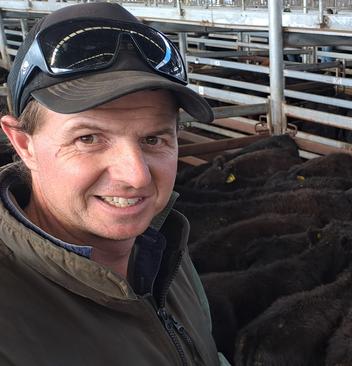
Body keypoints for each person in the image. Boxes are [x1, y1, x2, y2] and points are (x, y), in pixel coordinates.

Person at [0, 3, 229, 365]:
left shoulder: (164, 248)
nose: (136, 176)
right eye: (88, 139)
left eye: (154, 139)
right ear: (23, 144)